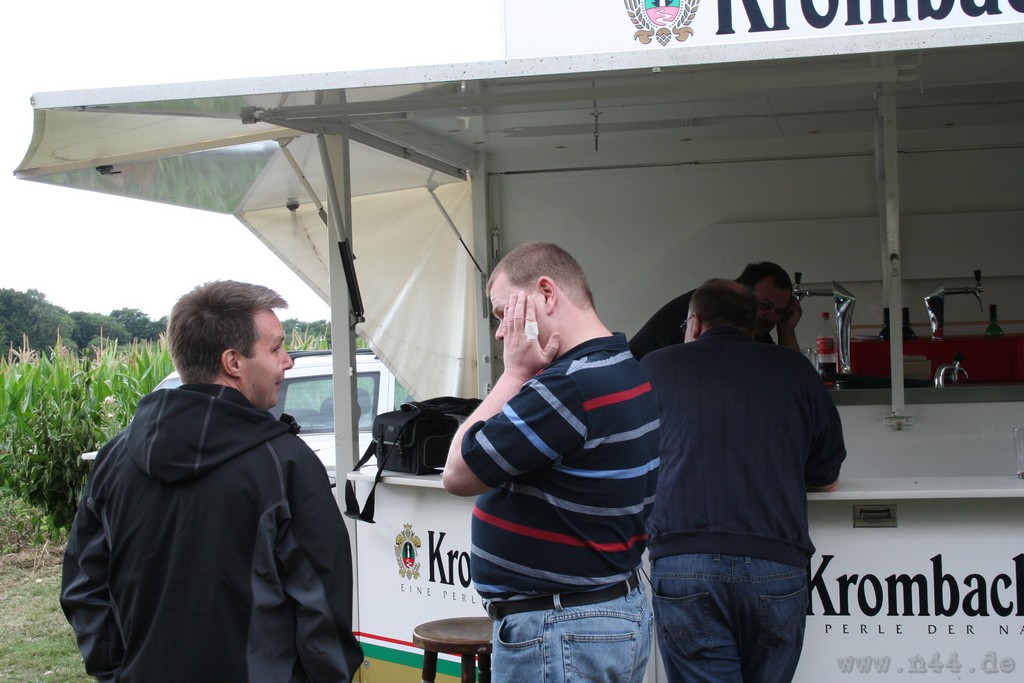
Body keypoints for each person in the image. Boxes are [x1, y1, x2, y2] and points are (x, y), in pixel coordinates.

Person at [60, 280, 364, 683]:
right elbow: (323, 603)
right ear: (233, 362)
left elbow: (84, 588)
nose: (288, 361)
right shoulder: (285, 463)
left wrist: (116, 673)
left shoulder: (114, 458)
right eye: (276, 348)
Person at [442, 241, 660, 683]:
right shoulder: (623, 364)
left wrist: (514, 374)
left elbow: (458, 473)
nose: (501, 333)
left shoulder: (567, 387)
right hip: (604, 614)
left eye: (504, 313)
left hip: (561, 631)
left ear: (545, 292)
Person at [639, 279, 846, 683]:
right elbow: (826, 476)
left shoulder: (655, 367)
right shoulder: (795, 370)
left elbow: (628, 459)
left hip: (685, 562)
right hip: (775, 562)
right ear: (752, 326)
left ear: (695, 323)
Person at [629, 261, 801, 359]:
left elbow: (789, 372)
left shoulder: (751, 321)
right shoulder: (715, 311)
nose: (771, 317)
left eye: (779, 311)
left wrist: (786, 331)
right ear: (744, 292)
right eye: (764, 305)